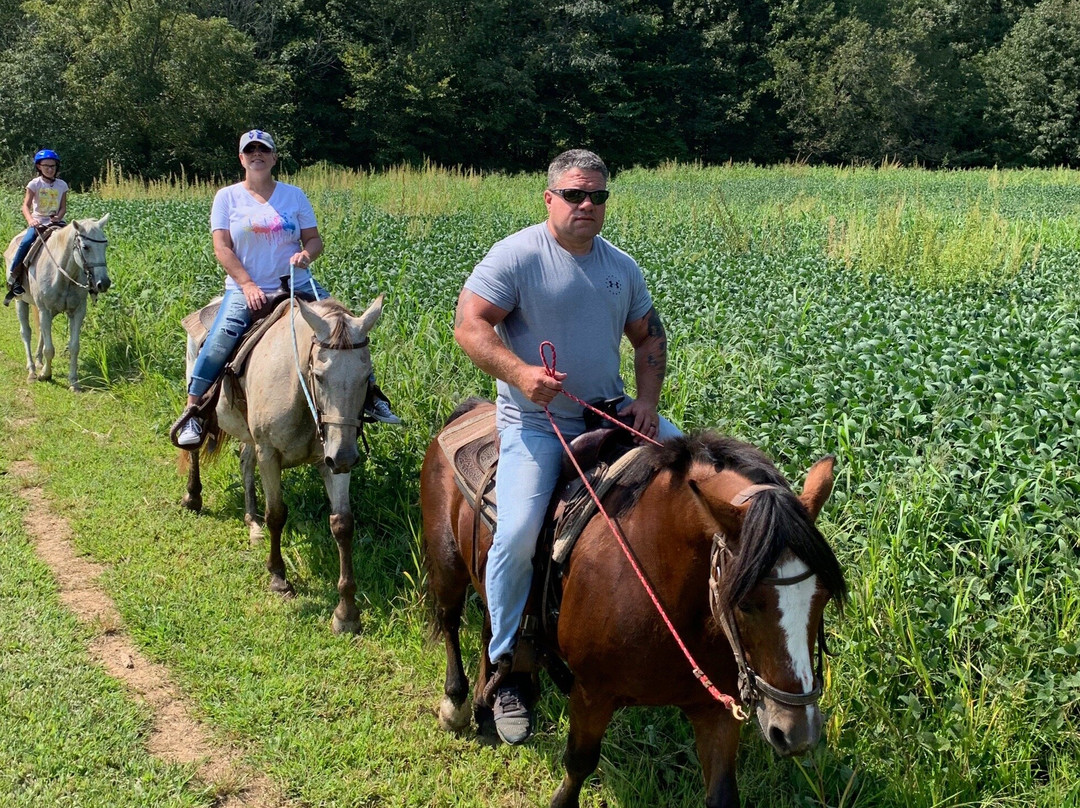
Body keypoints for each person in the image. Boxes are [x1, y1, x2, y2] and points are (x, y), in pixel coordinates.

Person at [454, 148, 679, 745]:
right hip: (536, 423)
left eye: (598, 196)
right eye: (575, 195)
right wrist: (520, 373)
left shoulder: (620, 268)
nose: (587, 205)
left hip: (610, 412)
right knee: (521, 530)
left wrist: (649, 401)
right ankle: (505, 668)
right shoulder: (517, 255)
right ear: (549, 198)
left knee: (701, 476)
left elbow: (649, 335)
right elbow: (470, 325)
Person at [175, 130, 399, 448]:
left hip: (296, 283)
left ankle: (371, 397)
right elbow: (222, 248)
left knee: (347, 328)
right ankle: (193, 412)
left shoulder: (293, 195)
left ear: (274, 157)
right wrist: (248, 284)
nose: (257, 154)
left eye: (263, 150)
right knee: (218, 339)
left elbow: (314, 239)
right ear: (241, 158)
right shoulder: (227, 197)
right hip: (244, 288)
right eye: (249, 150)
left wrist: (306, 254)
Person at [5, 149, 68, 305]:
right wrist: (31, 220)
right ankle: (15, 278)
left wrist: (58, 217)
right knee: (26, 242)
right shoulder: (34, 184)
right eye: (46, 166)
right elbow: (25, 206)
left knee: (76, 242)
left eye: (53, 166)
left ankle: (81, 282)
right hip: (38, 221)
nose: (50, 169)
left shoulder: (62, 185)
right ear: (39, 167)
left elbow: (63, 207)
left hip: (57, 222)